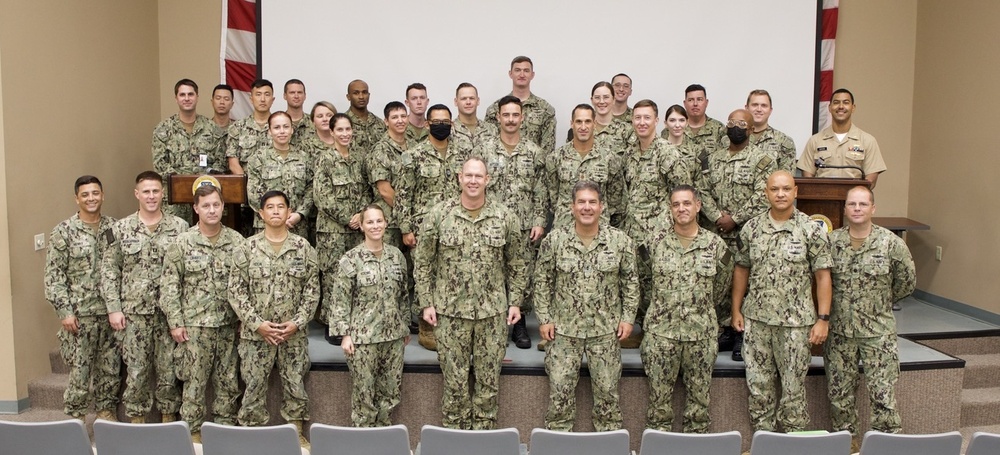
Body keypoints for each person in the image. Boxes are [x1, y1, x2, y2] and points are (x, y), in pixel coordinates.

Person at [415, 157, 527, 430]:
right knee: (454, 383)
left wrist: (515, 302)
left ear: (487, 180)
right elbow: (423, 260)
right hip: (450, 313)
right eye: (469, 175)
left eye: (479, 176)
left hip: (492, 312)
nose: (474, 180)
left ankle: (484, 438)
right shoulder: (439, 215)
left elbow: (518, 263)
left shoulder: (504, 217)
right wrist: (426, 302)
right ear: (459, 178)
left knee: (488, 382)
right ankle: (455, 437)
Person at [732, 170, 833, 433]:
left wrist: (823, 319)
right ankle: (762, 441)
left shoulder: (811, 229)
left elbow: (822, 276)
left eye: (786, 189)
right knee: (758, 386)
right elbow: (741, 269)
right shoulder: (751, 228)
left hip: (796, 324)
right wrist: (735, 309)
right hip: (757, 320)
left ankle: (794, 444)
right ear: (766, 193)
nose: (780, 194)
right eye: (774, 189)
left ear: (796, 192)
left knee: (793, 389)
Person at [534, 180, 638, 432]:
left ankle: (609, 446)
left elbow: (631, 283)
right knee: (559, 399)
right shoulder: (555, 240)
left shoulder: (620, 242)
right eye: (581, 202)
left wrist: (628, 318)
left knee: (608, 399)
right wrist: (545, 318)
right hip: (563, 333)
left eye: (592, 202)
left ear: (602, 207)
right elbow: (542, 280)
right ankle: (557, 446)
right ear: (572, 207)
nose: (587, 207)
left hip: (605, 332)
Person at [826, 186, 915, 449]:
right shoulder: (832, 243)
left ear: (873, 208)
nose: (857, 209)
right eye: (852, 204)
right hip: (840, 332)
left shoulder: (892, 244)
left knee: (883, 397)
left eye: (863, 204)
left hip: (878, 334)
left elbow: (906, 283)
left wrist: (878, 305)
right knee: (840, 398)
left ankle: (887, 448)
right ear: (844, 209)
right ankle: (847, 447)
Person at [229, 190, 320, 447]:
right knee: (254, 385)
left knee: (295, 384)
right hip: (257, 335)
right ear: (261, 213)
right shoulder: (247, 248)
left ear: (289, 212)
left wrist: (297, 323)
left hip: (293, 334)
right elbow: (236, 292)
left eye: (281, 207)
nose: (276, 211)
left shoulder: (303, 248)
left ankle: (296, 434)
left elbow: (312, 292)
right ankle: (251, 437)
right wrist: (257, 324)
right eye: (271, 207)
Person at [641, 185, 732, 433]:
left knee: (699, 409)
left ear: (698, 206)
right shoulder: (654, 243)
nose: (681, 208)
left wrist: (699, 309)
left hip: (701, 336)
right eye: (676, 204)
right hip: (661, 336)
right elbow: (642, 281)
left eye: (687, 203)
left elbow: (721, 287)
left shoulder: (716, 246)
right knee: (658, 408)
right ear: (670, 209)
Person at [101, 171, 188, 423]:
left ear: (163, 193)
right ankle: (137, 421)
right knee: (137, 371)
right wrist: (113, 308)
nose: (151, 196)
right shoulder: (120, 229)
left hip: (167, 314)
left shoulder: (179, 228)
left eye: (156, 191)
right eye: (146, 191)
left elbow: (184, 273)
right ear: (137, 194)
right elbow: (109, 271)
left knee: (168, 371)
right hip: (133, 314)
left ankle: (168, 420)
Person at [160, 184, 244, 441]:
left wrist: (243, 319)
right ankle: (193, 436)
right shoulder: (182, 243)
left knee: (228, 384)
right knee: (194, 385)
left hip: (228, 325)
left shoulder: (237, 242)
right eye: (205, 205)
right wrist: (175, 322)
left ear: (223, 207)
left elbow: (245, 285)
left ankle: (224, 434)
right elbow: (169, 285)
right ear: (196, 208)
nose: (212, 210)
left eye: (216, 205)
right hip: (194, 327)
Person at [697, 108, 777, 360]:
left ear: (752, 129)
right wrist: (716, 217)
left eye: (742, 123)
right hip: (717, 233)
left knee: (747, 282)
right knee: (719, 280)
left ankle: (743, 333)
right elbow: (702, 190)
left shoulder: (763, 160)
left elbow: (763, 195)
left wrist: (735, 219)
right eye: (732, 122)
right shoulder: (713, 159)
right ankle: (726, 329)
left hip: (748, 234)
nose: (736, 126)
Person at [44, 175, 120, 423]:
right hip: (80, 316)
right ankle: (74, 422)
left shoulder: (114, 228)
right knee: (80, 374)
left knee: (110, 371)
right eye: (85, 194)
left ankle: (106, 418)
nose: (91, 198)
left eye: (95, 193)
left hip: (110, 313)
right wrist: (65, 312)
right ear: (77, 198)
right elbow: (54, 276)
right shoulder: (63, 232)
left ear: (103, 195)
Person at [329, 205, 409, 427]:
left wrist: (403, 327)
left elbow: (402, 295)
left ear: (386, 224)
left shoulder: (396, 256)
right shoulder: (350, 259)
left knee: (391, 393)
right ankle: (363, 441)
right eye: (370, 222)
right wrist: (344, 335)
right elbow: (339, 300)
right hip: (362, 339)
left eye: (379, 221)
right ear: (362, 226)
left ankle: (384, 437)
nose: (375, 226)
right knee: (364, 396)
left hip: (393, 338)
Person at [479, 95, 547, 349]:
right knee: (492, 273)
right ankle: (495, 325)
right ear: (498, 117)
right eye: (505, 115)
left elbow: (541, 190)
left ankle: (518, 324)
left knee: (521, 274)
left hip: (524, 224)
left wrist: (539, 220)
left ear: (522, 117)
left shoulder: (534, 152)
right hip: (490, 224)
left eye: (515, 115)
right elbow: (473, 187)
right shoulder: (483, 149)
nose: (510, 119)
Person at [620, 100, 689, 349]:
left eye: (647, 118)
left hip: (659, 233)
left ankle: (657, 333)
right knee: (636, 282)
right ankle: (640, 330)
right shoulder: (628, 154)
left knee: (658, 284)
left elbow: (682, 194)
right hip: (632, 231)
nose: (641, 122)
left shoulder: (667, 152)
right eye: (637, 118)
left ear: (656, 121)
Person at [313, 113, 369, 335]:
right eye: (340, 130)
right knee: (332, 276)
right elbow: (321, 196)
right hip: (332, 231)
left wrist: (361, 214)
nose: (345, 134)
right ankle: (332, 324)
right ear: (332, 132)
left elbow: (367, 189)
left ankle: (351, 322)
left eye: (348, 129)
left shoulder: (360, 158)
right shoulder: (324, 159)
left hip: (357, 230)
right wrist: (348, 217)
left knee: (354, 274)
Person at [151, 78, 226, 223]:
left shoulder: (212, 128)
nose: (187, 98)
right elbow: (159, 164)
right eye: (182, 95)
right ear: (176, 98)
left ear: (197, 97)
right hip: (174, 200)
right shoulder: (163, 129)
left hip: (206, 197)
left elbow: (221, 163)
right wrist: (185, 181)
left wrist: (203, 180)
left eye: (190, 94)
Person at [545, 104, 624, 229]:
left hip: (599, 230)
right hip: (564, 229)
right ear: (572, 124)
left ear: (594, 123)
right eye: (578, 122)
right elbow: (552, 196)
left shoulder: (610, 158)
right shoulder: (556, 158)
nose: (583, 127)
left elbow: (616, 201)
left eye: (587, 122)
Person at [797, 88, 887, 188]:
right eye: (836, 102)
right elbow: (807, 175)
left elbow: (871, 178)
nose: (840, 106)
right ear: (830, 108)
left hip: (854, 201)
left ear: (853, 108)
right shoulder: (815, 140)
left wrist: (856, 196)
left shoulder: (867, 141)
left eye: (846, 102)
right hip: (822, 200)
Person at [245, 111, 314, 239]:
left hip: (296, 225)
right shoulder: (258, 158)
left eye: (286, 127)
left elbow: (311, 189)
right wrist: (276, 216)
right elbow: (253, 193)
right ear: (269, 131)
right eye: (277, 127)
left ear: (292, 130)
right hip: (266, 225)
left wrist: (299, 214)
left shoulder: (304, 157)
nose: (282, 131)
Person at [484, 56, 556, 154]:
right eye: (517, 70)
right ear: (510, 74)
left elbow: (547, 151)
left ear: (532, 75)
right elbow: (488, 147)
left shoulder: (545, 110)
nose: (522, 75)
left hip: (532, 167)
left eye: (526, 71)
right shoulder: (495, 109)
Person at [367, 101, 414, 250]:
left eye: (403, 116)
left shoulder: (415, 146)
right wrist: (405, 214)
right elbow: (385, 191)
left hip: (413, 221)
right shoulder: (380, 150)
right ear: (386, 121)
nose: (400, 120)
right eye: (394, 117)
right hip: (390, 221)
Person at [661, 84, 726, 162]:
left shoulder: (719, 129)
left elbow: (724, 158)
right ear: (685, 103)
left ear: (706, 102)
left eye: (699, 99)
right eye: (691, 100)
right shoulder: (670, 130)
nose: (695, 104)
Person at [227, 79, 275, 175]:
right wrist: (246, 185)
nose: (262, 99)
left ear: (272, 99)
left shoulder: (280, 126)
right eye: (258, 94)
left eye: (267, 94)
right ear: (251, 99)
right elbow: (233, 163)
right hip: (246, 184)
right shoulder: (237, 127)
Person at [745, 89, 796, 173]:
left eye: (764, 105)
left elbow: (786, 178)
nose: (759, 109)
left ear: (770, 110)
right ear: (746, 108)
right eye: (754, 105)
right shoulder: (733, 138)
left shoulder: (784, 141)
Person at [590, 81, 632, 156]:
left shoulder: (626, 130)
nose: (601, 101)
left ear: (613, 100)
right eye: (597, 97)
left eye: (606, 97)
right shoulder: (584, 128)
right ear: (592, 100)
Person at [662, 105, 701, 184]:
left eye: (681, 120)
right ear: (666, 123)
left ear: (687, 123)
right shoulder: (658, 149)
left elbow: (702, 183)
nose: (677, 125)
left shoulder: (697, 150)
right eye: (672, 120)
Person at [345, 79, 387, 153]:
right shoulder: (342, 123)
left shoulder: (379, 123)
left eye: (364, 92)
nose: (361, 96)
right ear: (348, 97)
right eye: (356, 93)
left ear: (369, 95)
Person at [451, 82, 496, 152]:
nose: (468, 102)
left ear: (478, 101)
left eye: (472, 98)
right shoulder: (450, 130)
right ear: (456, 102)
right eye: (463, 99)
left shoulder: (491, 129)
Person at [283, 79, 313, 147]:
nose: (296, 96)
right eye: (292, 92)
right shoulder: (278, 123)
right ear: (285, 96)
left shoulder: (314, 122)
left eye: (299, 92)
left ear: (305, 96)